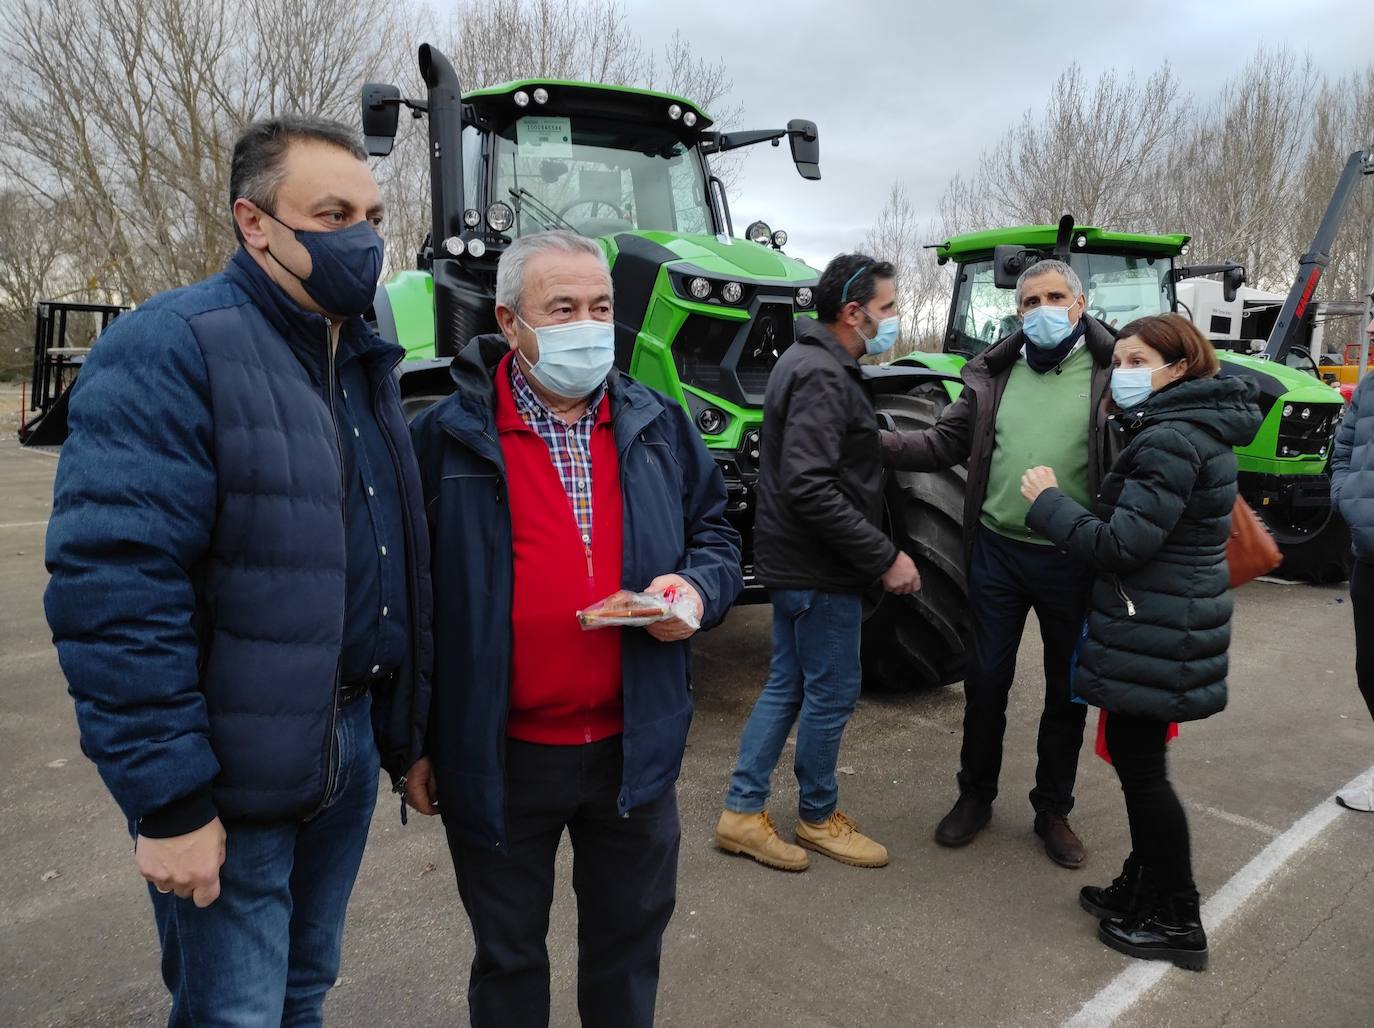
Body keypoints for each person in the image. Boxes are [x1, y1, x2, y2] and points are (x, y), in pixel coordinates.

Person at [44, 116, 432, 1025]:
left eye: (373, 214)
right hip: (232, 767)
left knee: (304, 988)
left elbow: (389, 559)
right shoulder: (174, 345)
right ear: (254, 224)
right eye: (332, 213)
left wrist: (407, 734)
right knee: (235, 1011)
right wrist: (170, 802)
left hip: (342, 742)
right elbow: (117, 591)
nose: (363, 238)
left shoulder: (362, 362)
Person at [404, 230, 742, 1027]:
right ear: (510, 321)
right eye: (563, 308)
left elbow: (718, 536)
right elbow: (408, 603)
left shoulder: (657, 424)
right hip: (500, 757)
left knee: (627, 954)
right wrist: (412, 740)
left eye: (600, 307)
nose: (588, 325)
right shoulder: (440, 436)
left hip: (634, 751)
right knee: (509, 958)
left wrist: (692, 593)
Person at [1020, 313, 1260, 971]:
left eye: (1136, 362)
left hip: (1157, 621)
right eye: (1118, 361)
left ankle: (1178, 918)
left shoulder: (1171, 440)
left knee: (1145, 771)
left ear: (1178, 367)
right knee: (1136, 758)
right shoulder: (1187, 430)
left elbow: (1124, 544)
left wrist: (1048, 504)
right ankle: (1144, 886)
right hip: (1164, 622)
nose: (1122, 374)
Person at [879, 258, 1116, 868]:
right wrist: (867, 438)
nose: (1042, 310)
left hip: (1073, 556)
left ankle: (1052, 810)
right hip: (998, 553)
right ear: (1018, 311)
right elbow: (941, 442)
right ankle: (975, 796)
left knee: (1067, 690)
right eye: (1030, 301)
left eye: (1054, 297)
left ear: (1079, 304)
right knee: (985, 681)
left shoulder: (1115, 372)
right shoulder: (994, 373)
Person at [714, 254, 917, 873]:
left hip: (797, 563)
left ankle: (742, 814)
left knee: (788, 684)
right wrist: (885, 556)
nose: (893, 319)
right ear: (853, 313)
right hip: (820, 570)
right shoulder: (824, 374)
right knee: (831, 695)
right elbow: (810, 485)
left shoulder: (805, 362)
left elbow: (825, 459)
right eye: (886, 308)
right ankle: (818, 816)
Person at [1329, 306, 1374, 812]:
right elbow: (1342, 454)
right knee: (1371, 671)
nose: (1369, 327)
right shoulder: (1367, 390)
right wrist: (1346, 500)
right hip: (1369, 555)